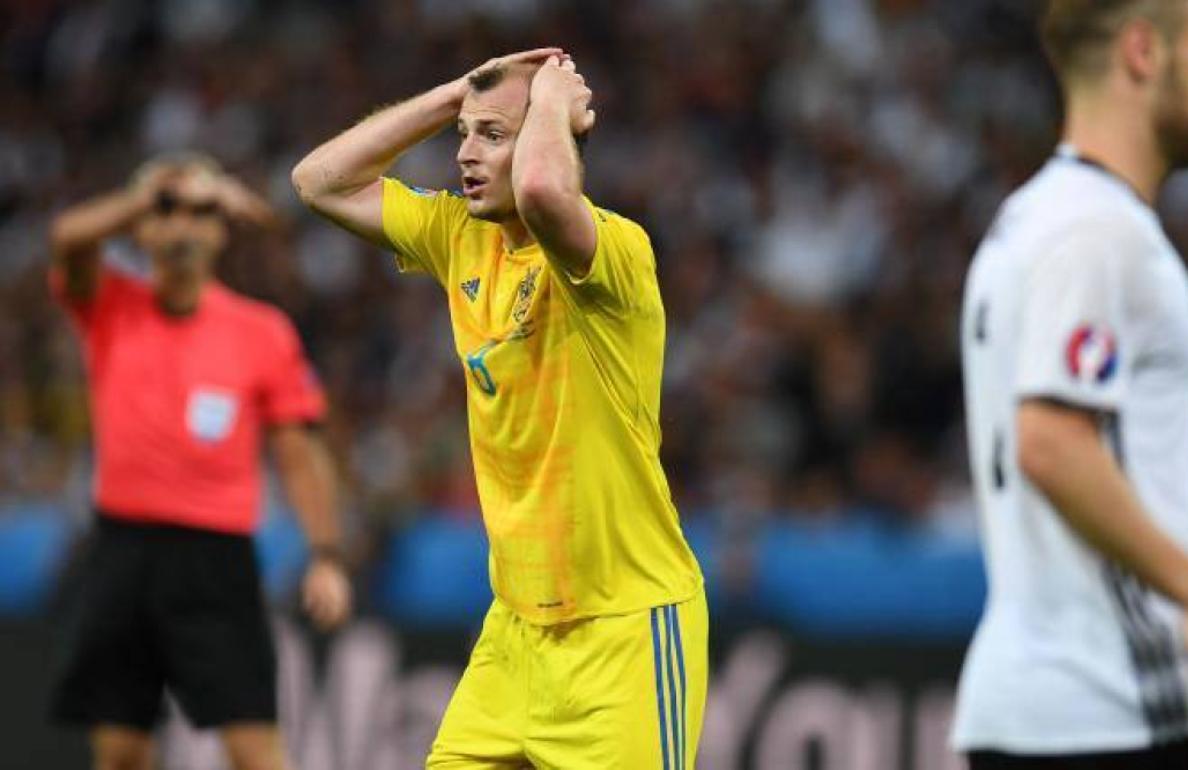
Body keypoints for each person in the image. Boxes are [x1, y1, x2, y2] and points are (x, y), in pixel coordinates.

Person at [292, 49, 707, 768]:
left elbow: (545, 191)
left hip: (625, 633)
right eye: (464, 134)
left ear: (553, 134)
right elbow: (318, 182)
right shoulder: (462, 236)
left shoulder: (615, 254)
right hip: (514, 634)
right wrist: (455, 95)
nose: (465, 154)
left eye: (493, 135)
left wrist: (552, 102)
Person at [955, 1, 1188, 768]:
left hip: (1038, 702)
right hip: (1111, 705)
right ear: (1143, 51)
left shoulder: (1031, 220)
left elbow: (1122, 473)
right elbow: (1052, 446)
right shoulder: (1098, 232)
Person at [47, 154, 353, 770]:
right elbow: (68, 239)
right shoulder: (109, 304)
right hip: (124, 550)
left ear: (221, 230)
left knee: (255, 749)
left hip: (217, 559)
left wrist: (325, 555)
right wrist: (147, 197)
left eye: (200, 213)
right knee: (121, 751)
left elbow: (298, 454)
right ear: (139, 228)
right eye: (167, 212)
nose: (182, 226)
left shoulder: (262, 332)